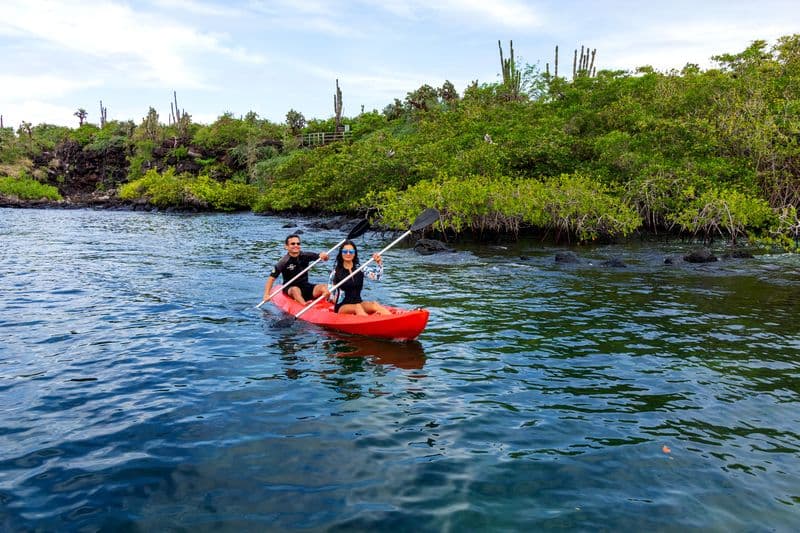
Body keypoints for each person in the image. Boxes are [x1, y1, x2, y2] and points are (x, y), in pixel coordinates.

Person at [328, 240, 391, 316]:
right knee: (357, 307)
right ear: (341, 253)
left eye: (351, 252)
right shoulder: (335, 272)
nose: (348, 254)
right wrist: (330, 296)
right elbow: (330, 294)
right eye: (345, 251)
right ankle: (370, 322)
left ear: (354, 254)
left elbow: (377, 277)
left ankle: (393, 319)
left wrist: (379, 263)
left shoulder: (361, 269)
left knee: (374, 304)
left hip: (358, 302)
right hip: (342, 307)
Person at [263, 234, 329, 304]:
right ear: (286, 247)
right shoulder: (283, 262)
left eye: (298, 243)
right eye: (292, 244)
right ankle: (304, 304)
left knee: (324, 287)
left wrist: (324, 256)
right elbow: (271, 278)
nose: (296, 245)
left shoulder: (306, 255)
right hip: (290, 288)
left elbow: (324, 258)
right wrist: (266, 294)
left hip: (305, 286)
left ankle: (330, 303)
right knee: (295, 290)